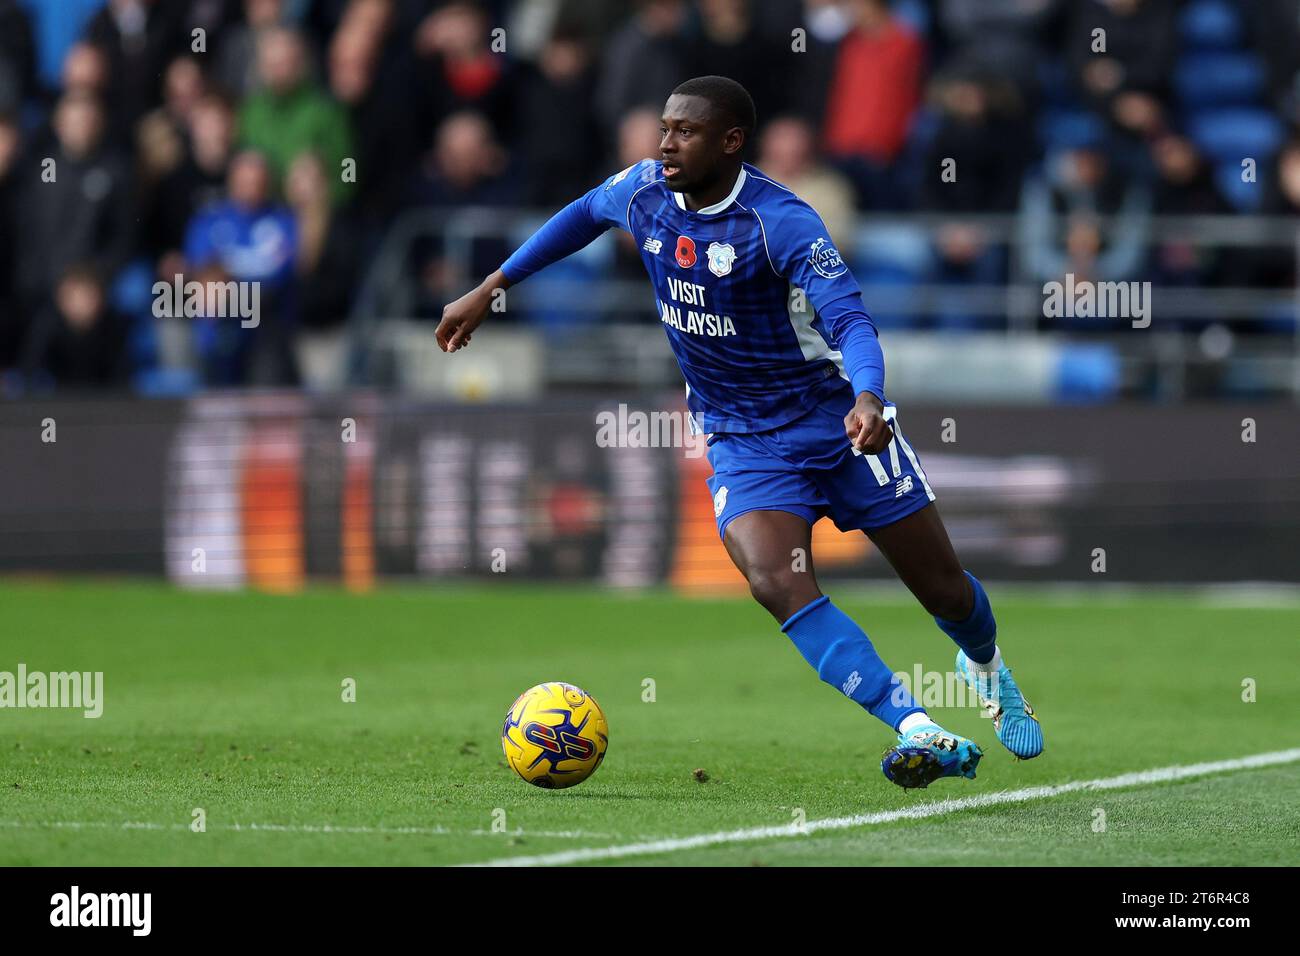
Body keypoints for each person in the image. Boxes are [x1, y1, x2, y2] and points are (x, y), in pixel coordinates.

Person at [435, 76, 1044, 788]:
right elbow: (581, 215)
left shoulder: (781, 221)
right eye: (664, 128)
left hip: (834, 422)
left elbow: (850, 321)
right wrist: (492, 286)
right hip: (742, 440)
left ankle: (988, 671)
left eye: (685, 132)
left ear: (730, 142)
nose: (666, 143)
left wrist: (870, 398)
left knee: (943, 591)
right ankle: (918, 726)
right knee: (774, 581)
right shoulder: (642, 192)